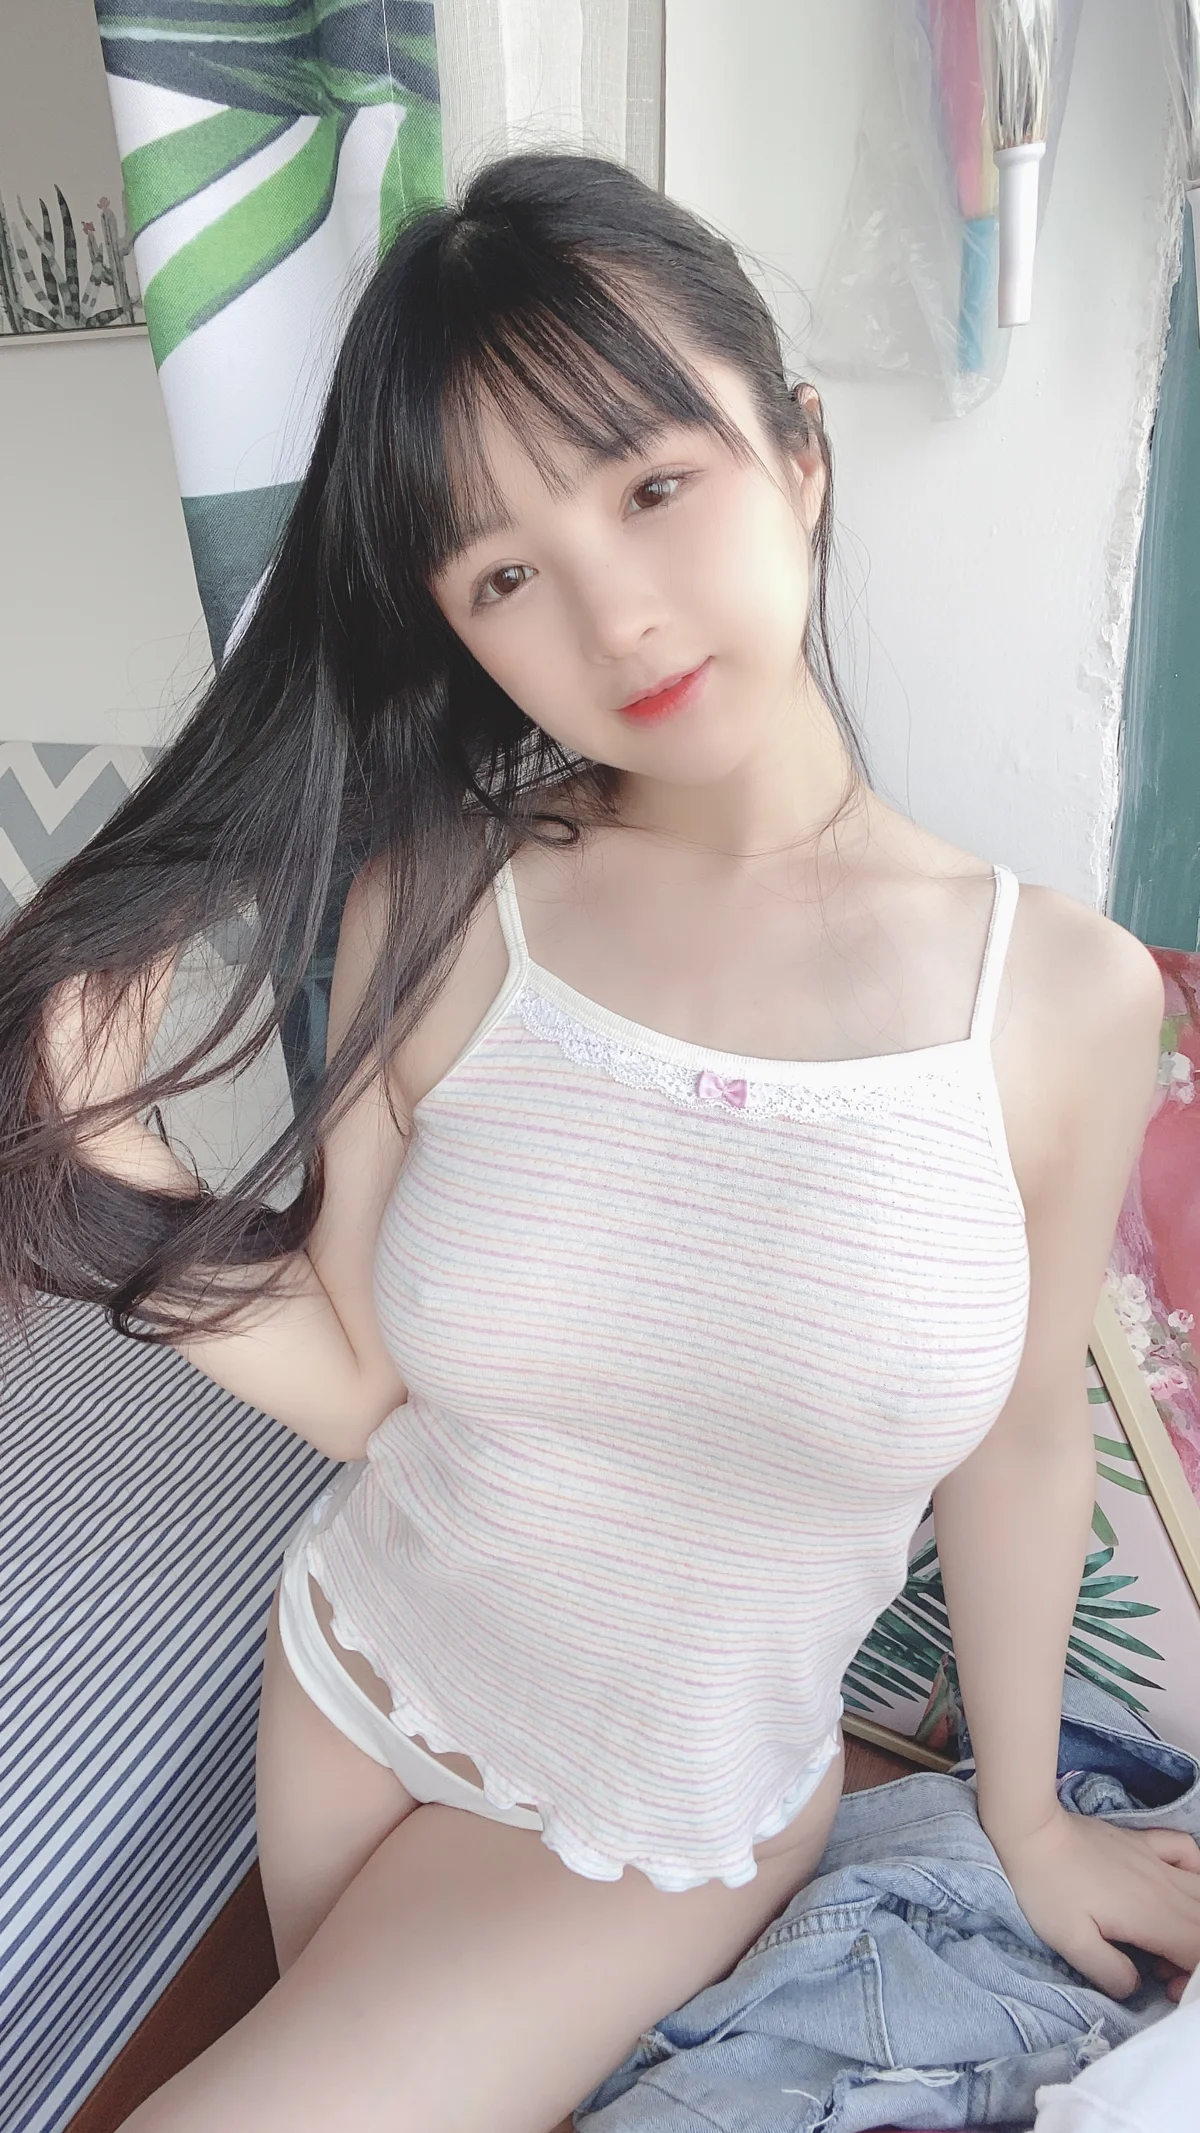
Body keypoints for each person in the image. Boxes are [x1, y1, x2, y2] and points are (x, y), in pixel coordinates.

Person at [3, 150, 1198, 2133]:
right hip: (351, 1682)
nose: (615, 612)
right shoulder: (440, 900)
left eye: (653, 484)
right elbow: (371, 1380)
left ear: (798, 452)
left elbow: (1016, 1442)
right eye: (501, 575)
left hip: (652, 1820)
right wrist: (106, 1180)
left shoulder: (1059, 997)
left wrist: (1028, 1818)